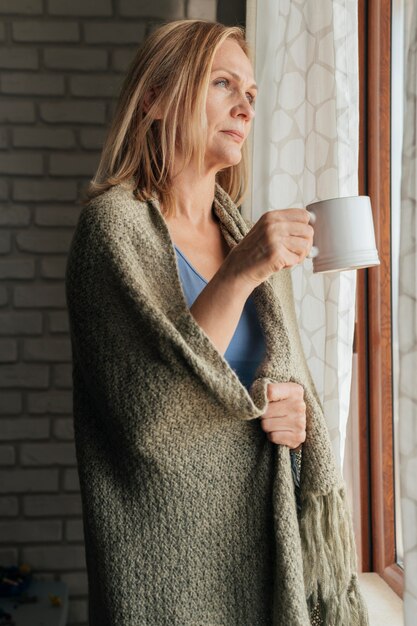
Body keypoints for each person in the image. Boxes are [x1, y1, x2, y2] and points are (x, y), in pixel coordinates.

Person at [65, 19, 369, 626]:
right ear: (154, 100)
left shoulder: (243, 233)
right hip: (163, 563)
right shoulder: (112, 231)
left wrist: (293, 417)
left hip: (262, 546)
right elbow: (149, 414)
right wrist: (239, 273)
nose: (244, 106)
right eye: (223, 83)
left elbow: (274, 389)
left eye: (251, 95)